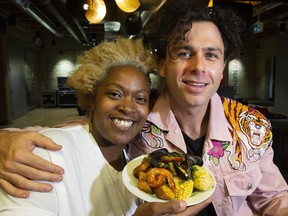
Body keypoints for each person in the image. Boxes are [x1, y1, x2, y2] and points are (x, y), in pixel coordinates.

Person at [1, 0, 287, 215]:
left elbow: (273, 198)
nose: (198, 67)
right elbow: (77, 132)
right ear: (162, 64)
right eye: (184, 52)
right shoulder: (136, 114)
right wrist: (6, 139)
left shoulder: (251, 126)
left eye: (211, 55)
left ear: (222, 68)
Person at [1, 37, 212, 215]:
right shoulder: (48, 154)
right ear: (92, 99)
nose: (128, 107)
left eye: (140, 99)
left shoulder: (135, 162)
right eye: (114, 94)